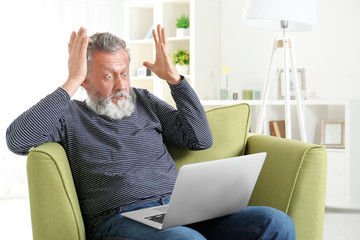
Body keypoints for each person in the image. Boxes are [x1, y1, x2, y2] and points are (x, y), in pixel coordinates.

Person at [6, 25, 295, 240]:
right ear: (85, 79)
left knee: (276, 222)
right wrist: (70, 80)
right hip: (120, 220)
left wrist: (174, 79)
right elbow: (17, 139)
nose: (121, 85)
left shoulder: (143, 100)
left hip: (182, 210)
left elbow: (200, 139)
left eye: (124, 73)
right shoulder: (68, 116)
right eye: (108, 76)